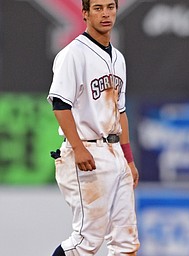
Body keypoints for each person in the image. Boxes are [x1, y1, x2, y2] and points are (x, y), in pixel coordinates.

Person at [47, 0, 140, 255]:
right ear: (85, 14)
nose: (106, 13)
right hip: (86, 151)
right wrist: (77, 148)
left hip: (115, 153)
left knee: (126, 243)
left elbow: (120, 112)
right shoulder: (73, 54)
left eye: (110, 7)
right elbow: (59, 104)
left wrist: (129, 160)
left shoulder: (118, 58)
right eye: (98, 8)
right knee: (84, 242)